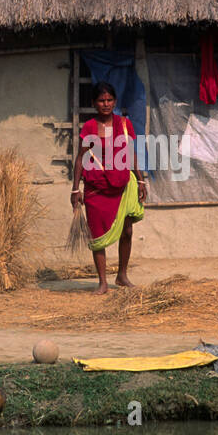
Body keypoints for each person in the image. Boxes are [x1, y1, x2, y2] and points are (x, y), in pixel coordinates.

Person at [71, 83, 147, 294]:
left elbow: (131, 154)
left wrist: (140, 180)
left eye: (109, 100)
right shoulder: (89, 128)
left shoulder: (124, 124)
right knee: (97, 236)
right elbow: (80, 158)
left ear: (115, 101)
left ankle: (122, 275)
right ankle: (102, 282)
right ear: (94, 103)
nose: (106, 104)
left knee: (128, 230)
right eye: (101, 101)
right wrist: (75, 189)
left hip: (122, 185)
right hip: (96, 187)